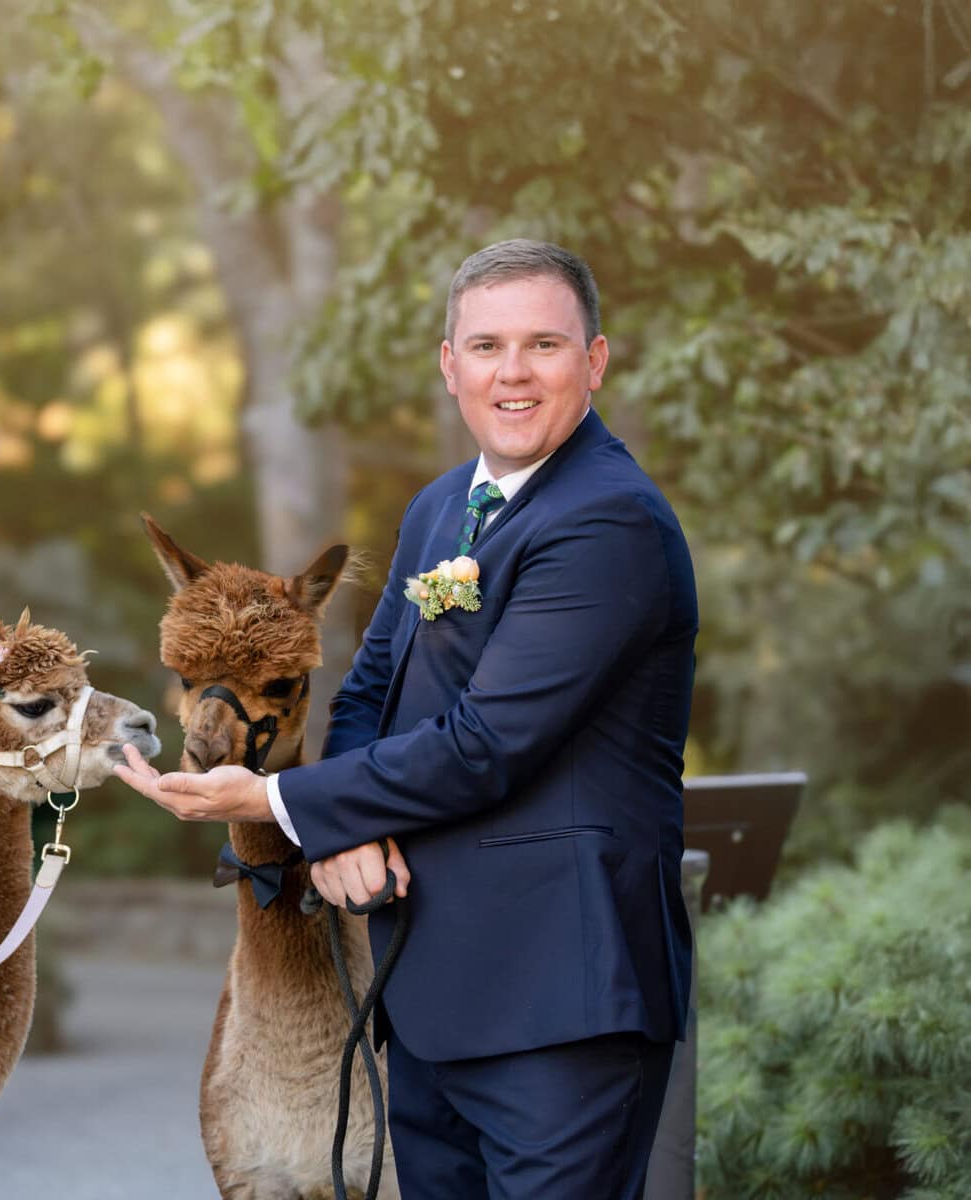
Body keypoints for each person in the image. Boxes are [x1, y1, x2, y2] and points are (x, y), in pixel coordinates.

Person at [116, 240, 697, 1198]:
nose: (512, 372)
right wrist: (348, 827)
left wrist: (274, 797)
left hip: (560, 1001)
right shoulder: (440, 508)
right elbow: (368, 690)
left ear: (594, 361)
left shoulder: (608, 521)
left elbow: (488, 743)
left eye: (544, 345)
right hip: (426, 993)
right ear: (449, 364)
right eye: (487, 346)